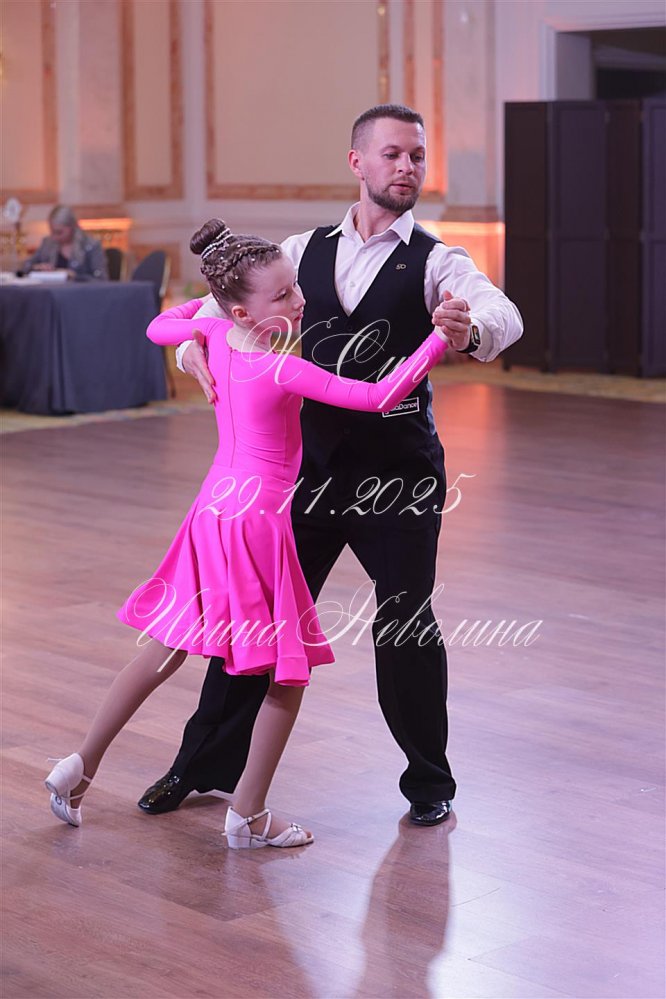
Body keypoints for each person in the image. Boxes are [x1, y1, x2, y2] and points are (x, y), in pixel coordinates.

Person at [139, 103, 524, 827]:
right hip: (307, 473)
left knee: (405, 623)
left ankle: (428, 781)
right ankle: (199, 766)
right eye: (392, 154)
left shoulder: (439, 260)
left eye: (417, 155)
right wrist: (192, 345)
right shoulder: (300, 249)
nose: (406, 167)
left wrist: (471, 328)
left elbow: (503, 314)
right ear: (357, 162)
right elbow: (224, 312)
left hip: (399, 475)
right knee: (256, 623)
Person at [44, 218, 450, 849]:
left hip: (212, 511)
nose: (301, 300)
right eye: (283, 295)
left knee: (165, 649)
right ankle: (249, 814)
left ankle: (79, 765)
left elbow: (160, 325)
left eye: (296, 286)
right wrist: (437, 341)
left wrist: (198, 330)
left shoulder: (217, 335)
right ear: (243, 310)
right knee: (286, 673)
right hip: (258, 523)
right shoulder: (281, 370)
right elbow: (377, 396)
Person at [18, 204, 108, 281]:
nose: (55, 237)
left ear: (72, 227)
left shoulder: (91, 245)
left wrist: (75, 276)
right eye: (52, 232)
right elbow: (25, 266)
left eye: (59, 232)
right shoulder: (48, 243)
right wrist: (36, 268)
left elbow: (101, 279)